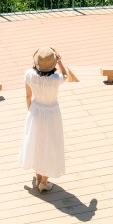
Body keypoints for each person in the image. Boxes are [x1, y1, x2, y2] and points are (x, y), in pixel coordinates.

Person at [19, 45, 74, 193]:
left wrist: (30, 111)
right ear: (53, 64)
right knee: (50, 145)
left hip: (36, 110)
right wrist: (60, 61)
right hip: (51, 113)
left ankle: (37, 178)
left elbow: (28, 96)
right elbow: (65, 75)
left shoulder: (29, 75)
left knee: (36, 142)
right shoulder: (56, 79)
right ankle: (44, 182)